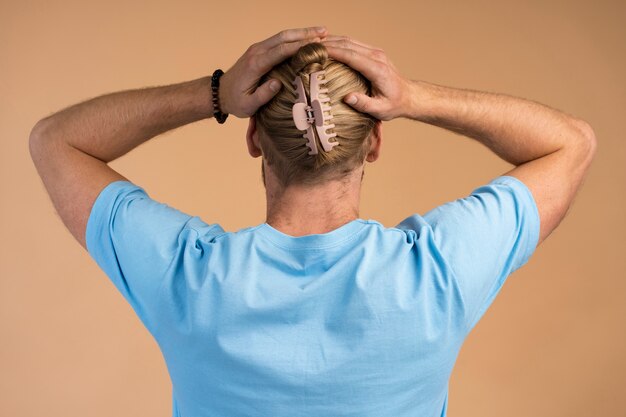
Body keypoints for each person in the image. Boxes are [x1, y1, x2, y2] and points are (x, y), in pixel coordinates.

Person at [29, 26, 596, 417]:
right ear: (374, 143)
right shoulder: (438, 270)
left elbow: (56, 141)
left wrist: (217, 93)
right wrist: (417, 97)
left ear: (254, 139)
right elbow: (571, 143)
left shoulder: (185, 276)